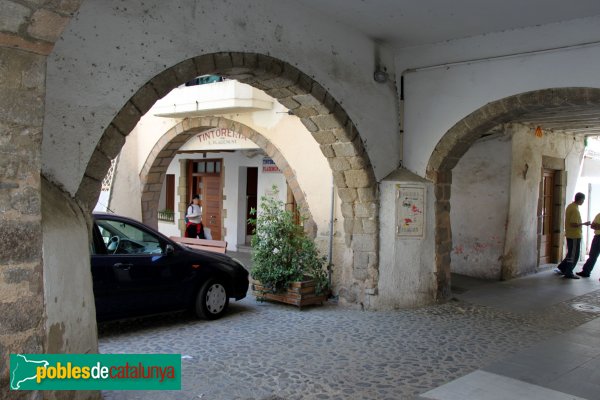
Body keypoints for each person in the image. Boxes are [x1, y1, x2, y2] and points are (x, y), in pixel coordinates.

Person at [556, 192, 590, 279]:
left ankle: (562, 268)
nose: (583, 202)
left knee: (570, 253)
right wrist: (584, 223)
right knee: (574, 255)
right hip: (574, 235)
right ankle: (569, 272)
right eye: (583, 200)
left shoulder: (571, 206)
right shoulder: (574, 209)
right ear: (580, 199)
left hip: (570, 234)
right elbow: (573, 223)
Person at [575, 211, 600, 278]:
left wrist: (597, 226)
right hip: (598, 237)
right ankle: (586, 272)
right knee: (592, 256)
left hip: (598, 238)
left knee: (593, 256)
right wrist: (596, 226)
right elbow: (592, 226)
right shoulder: (599, 215)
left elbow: (595, 225)